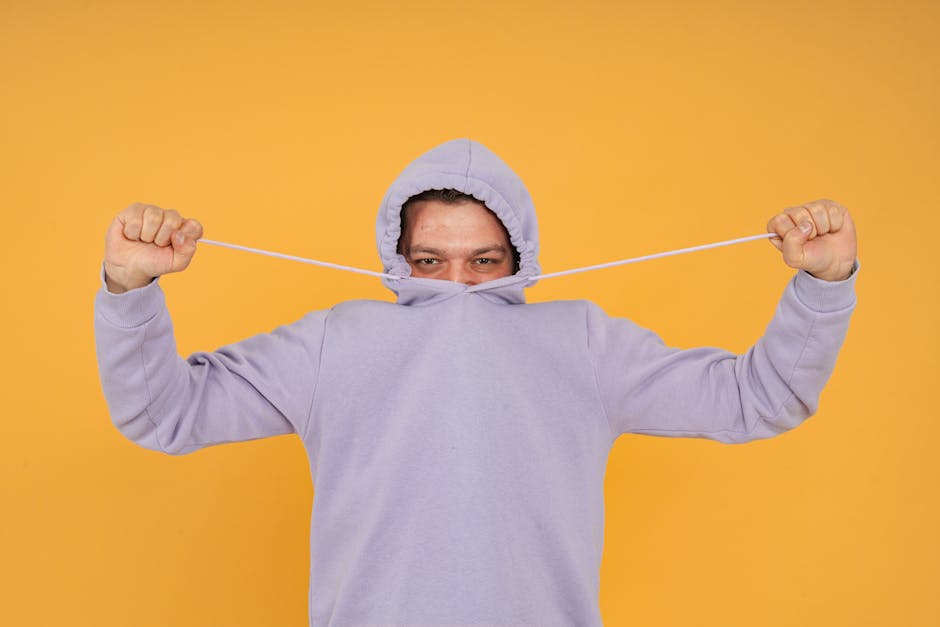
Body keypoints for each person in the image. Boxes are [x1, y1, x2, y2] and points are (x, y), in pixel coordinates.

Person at [95, 138, 858, 626]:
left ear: (519, 256)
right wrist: (129, 290)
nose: (457, 286)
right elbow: (164, 413)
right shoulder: (333, 341)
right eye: (430, 262)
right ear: (397, 258)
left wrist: (823, 287)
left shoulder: (582, 339)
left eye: (484, 262)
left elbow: (758, 398)